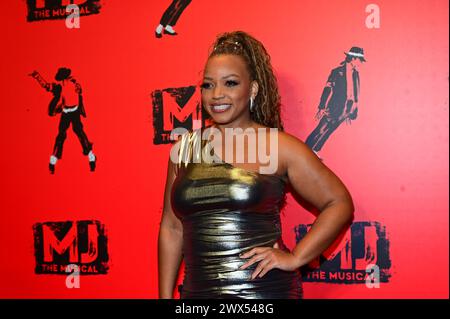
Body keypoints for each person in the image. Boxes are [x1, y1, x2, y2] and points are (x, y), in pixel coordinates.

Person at [158, 31, 354, 299]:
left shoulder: (278, 146)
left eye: (230, 83)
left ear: (252, 89)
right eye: (208, 85)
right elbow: (172, 227)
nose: (217, 94)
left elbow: (339, 203)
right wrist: (165, 296)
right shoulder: (183, 150)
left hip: (263, 294)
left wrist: (296, 256)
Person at [305, 47, 366, 159]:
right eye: (360, 60)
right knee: (321, 129)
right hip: (334, 107)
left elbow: (356, 90)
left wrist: (355, 107)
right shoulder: (337, 72)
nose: (361, 63)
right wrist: (322, 106)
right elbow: (327, 89)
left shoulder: (356, 74)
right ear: (353, 58)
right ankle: (305, 151)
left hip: (347, 109)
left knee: (330, 130)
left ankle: (316, 150)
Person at [48, 67, 96, 174]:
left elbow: (79, 91)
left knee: (79, 133)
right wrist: (37, 77)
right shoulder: (60, 86)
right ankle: (53, 160)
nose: (64, 80)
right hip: (65, 113)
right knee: (61, 135)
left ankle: (91, 156)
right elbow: (48, 87)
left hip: (74, 112)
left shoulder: (73, 83)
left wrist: (78, 88)